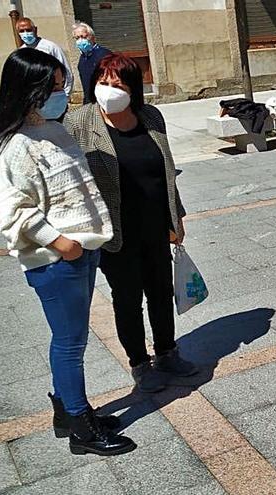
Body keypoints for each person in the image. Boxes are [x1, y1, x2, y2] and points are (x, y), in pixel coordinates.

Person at [0, 49, 135, 456]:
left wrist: (81, 244)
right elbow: (13, 211)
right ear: (28, 88)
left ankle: (66, 411)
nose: (61, 94)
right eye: (52, 87)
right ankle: (81, 428)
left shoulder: (52, 129)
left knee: (73, 339)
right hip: (56, 259)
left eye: (61, 85)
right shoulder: (13, 145)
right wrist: (59, 242)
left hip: (83, 250)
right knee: (69, 342)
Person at [65, 54, 197, 393]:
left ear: (133, 89)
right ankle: (140, 363)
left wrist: (176, 216)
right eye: (103, 82)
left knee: (160, 292)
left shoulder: (151, 116)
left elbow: (167, 173)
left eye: (118, 84)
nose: (108, 91)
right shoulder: (80, 122)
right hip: (114, 232)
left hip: (154, 224)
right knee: (127, 299)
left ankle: (167, 351)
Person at [16, 17, 73, 98]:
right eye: (22, 31)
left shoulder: (50, 47)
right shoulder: (21, 52)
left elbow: (65, 71)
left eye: (28, 30)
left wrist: (66, 94)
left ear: (35, 29)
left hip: (53, 95)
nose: (25, 33)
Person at [72, 21, 112, 104]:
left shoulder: (104, 55)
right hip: (90, 102)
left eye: (83, 37)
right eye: (77, 38)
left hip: (105, 101)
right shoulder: (83, 58)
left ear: (92, 37)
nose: (80, 40)